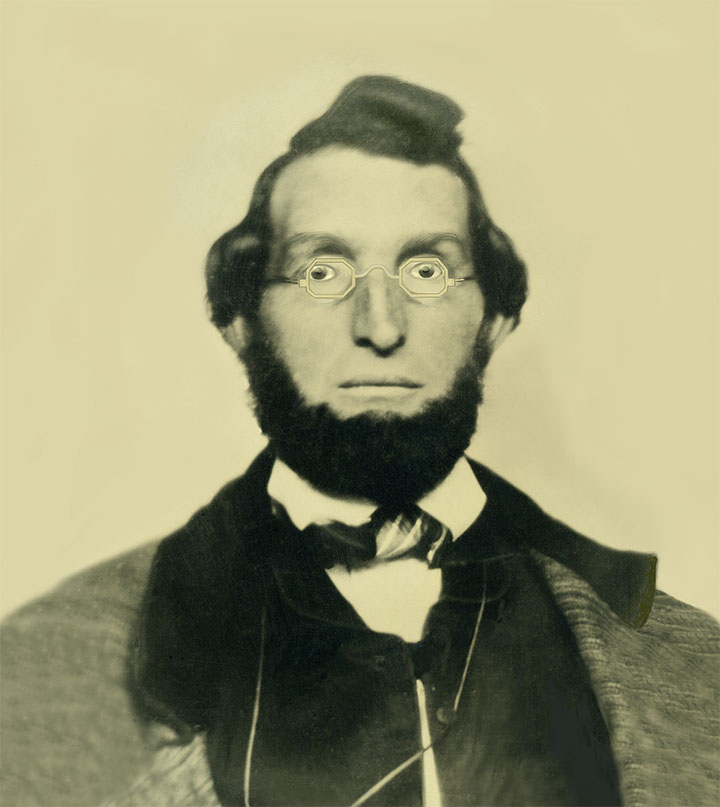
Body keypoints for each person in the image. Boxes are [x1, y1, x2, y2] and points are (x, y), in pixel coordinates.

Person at [1, 76, 718, 807]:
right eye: (323, 272)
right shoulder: (52, 664)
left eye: (427, 271)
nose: (380, 326)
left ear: (495, 321)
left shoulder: (691, 663)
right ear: (241, 325)